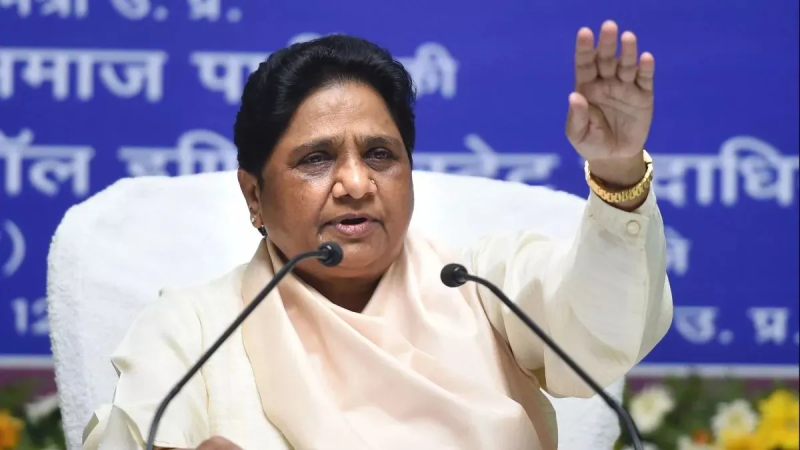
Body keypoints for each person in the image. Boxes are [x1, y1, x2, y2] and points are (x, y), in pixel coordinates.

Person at [83, 20, 672, 450]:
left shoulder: (483, 287)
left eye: (380, 155)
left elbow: (601, 331)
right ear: (254, 195)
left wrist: (618, 171)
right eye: (317, 159)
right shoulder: (194, 328)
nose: (356, 183)